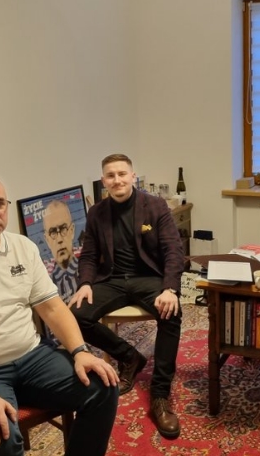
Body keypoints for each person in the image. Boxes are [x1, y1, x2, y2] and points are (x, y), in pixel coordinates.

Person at [0, 172, 119, 456]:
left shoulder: (23, 246)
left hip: (32, 358)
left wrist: (80, 351)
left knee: (103, 386)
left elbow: (53, 307)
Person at [69, 153, 185, 439]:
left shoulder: (155, 206)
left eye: (122, 174)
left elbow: (173, 249)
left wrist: (170, 289)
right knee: (75, 315)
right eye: (111, 175)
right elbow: (89, 254)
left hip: (149, 278)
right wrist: (85, 283)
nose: (117, 180)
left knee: (171, 313)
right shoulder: (97, 212)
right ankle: (130, 356)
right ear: (104, 181)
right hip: (112, 279)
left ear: (133, 176)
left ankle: (160, 395)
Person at [43, 200, 80, 304]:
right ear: (47, 240)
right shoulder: (47, 284)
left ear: (72, 231)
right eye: (53, 232)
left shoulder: (87, 268)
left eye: (63, 229)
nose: (59, 239)